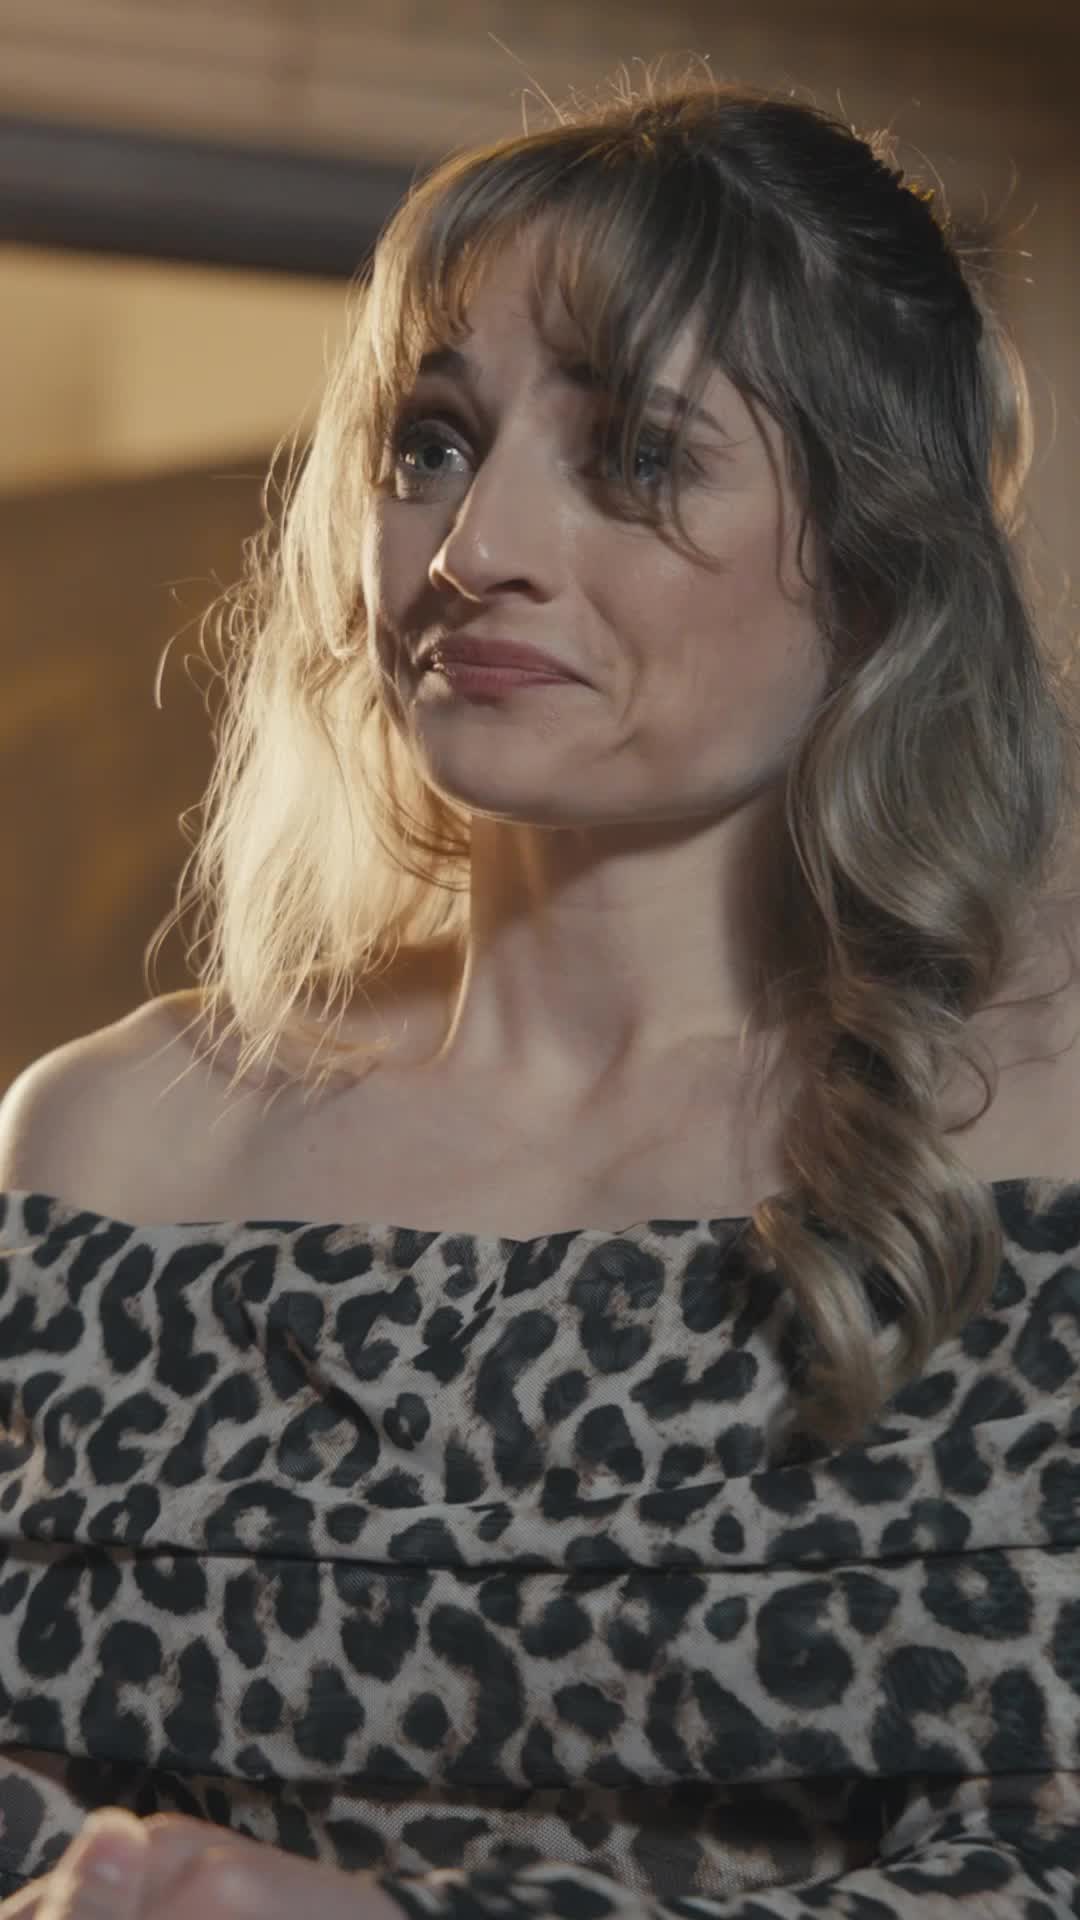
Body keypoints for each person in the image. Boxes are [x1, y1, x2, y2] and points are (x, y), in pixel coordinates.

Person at [3, 60, 1080, 1920]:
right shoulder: (115, 1147)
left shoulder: (1041, 1133)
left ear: (878, 566)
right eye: (431, 442)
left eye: (636, 456)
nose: (471, 550)